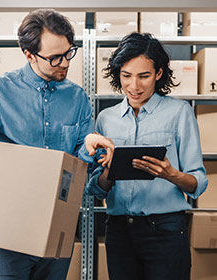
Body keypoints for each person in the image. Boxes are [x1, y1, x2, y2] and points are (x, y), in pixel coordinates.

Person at [0, 9, 114, 280]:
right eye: (54, 58)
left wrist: (89, 146)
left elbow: (77, 164)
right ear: (29, 55)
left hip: (58, 228)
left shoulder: (78, 98)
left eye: (68, 53)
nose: (65, 63)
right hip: (5, 231)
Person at [86, 32, 208, 280]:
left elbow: (199, 183)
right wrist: (109, 171)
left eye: (144, 76)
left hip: (165, 229)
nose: (134, 86)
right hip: (119, 230)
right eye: (126, 76)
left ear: (159, 73)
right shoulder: (105, 119)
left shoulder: (179, 113)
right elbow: (96, 189)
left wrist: (170, 174)